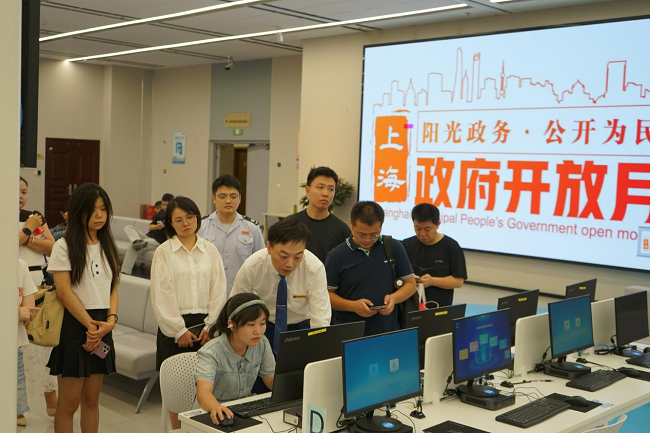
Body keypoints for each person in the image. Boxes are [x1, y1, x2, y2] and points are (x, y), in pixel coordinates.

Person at [46, 183, 121, 433]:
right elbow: (64, 292)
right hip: (74, 324)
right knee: (69, 404)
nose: (99, 215)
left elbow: (113, 287)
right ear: (79, 212)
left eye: (103, 209)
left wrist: (110, 322)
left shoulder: (108, 244)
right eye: (93, 210)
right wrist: (91, 327)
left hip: (102, 325)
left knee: (91, 400)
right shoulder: (64, 245)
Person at [149, 196, 227, 430]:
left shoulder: (210, 250)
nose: (185, 223)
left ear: (197, 218)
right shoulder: (164, 252)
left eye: (190, 217)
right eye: (178, 220)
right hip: (175, 330)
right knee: (177, 395)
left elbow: (219, 290)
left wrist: (211, 327)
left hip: (206, 330)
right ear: (170, 223)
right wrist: (178, 331)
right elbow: (161, 295)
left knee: (207, 390)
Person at [230, 218, 331, 354]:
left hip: (301, 326)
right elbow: (236, 306)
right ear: (269, 247)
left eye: (297, 257)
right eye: (283, 256)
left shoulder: (314, 268)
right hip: (264, 326)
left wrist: (319, 349)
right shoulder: (253, 266)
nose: (290, 264)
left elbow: (320, 319)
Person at [325, 201, 416, 336]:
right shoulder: (336, 256)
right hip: (350, 333)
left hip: (388, 330)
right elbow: (326, 295)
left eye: (374, 234)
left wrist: (393, 299)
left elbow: (410, 284)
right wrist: (352, 306)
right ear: (351, 224)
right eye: (361, 234)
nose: (367, 240)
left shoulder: (393, 247)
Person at [195, 293, 275, 425]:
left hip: (244, 410)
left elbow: (270, 380)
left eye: (262, 323)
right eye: (251, 324)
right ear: (231, 325)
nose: (258, 331)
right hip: (213, 413)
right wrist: (215, 407)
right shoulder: (211, 352)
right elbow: (203, 392)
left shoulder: (262, 343)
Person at [17, 176, 59, 418]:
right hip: (14, 285)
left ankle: (50, 398)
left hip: (39, 285)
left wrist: (28, 237)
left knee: (43, 345)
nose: (21, 196)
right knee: (19, 350)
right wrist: (28, 231)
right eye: (16, 191)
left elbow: (51, 246)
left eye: (24, 191)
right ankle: (17, 407)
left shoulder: (34, 217)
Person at [198, 175, 264, 296]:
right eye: (222, 196)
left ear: (239, 198)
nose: (228, 201)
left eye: (233, 196)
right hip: (208, 293)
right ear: (214, 198)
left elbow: (261, 263)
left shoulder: (252, 228)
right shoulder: (201, 227)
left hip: (241, 294)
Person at [402, 203, 467, 308]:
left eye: (427, 229)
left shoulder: (451, 247)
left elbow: (458, 281)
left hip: (439, 307)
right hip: (409, 306)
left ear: (437, 224)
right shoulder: (406, 245)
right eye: (418, 228)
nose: (422, 234)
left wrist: (432, 281)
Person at [287, 167, 350, 263]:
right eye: (320, 187)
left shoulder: (342, 230)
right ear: (308, 191)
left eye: (331, 189)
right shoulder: (290, 223)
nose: (325, 193)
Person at [121, 193, 174, 275]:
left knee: (131, 246)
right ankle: (137, 241)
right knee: (128, 227)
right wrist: (157, 226)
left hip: (157, 241)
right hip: (147, 236)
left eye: (166, 205)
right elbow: (150, 227)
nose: (163, 207)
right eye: (162, 204)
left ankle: (125, 272)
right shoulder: (160, 213)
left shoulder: (173, 216)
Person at [17, 259, 39, 426]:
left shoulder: (20, 265)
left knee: (15, 385)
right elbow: (21, 313)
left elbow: (29, 312)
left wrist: (20, 313)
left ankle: (17, 411)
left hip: (14, 343)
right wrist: (16, 312)